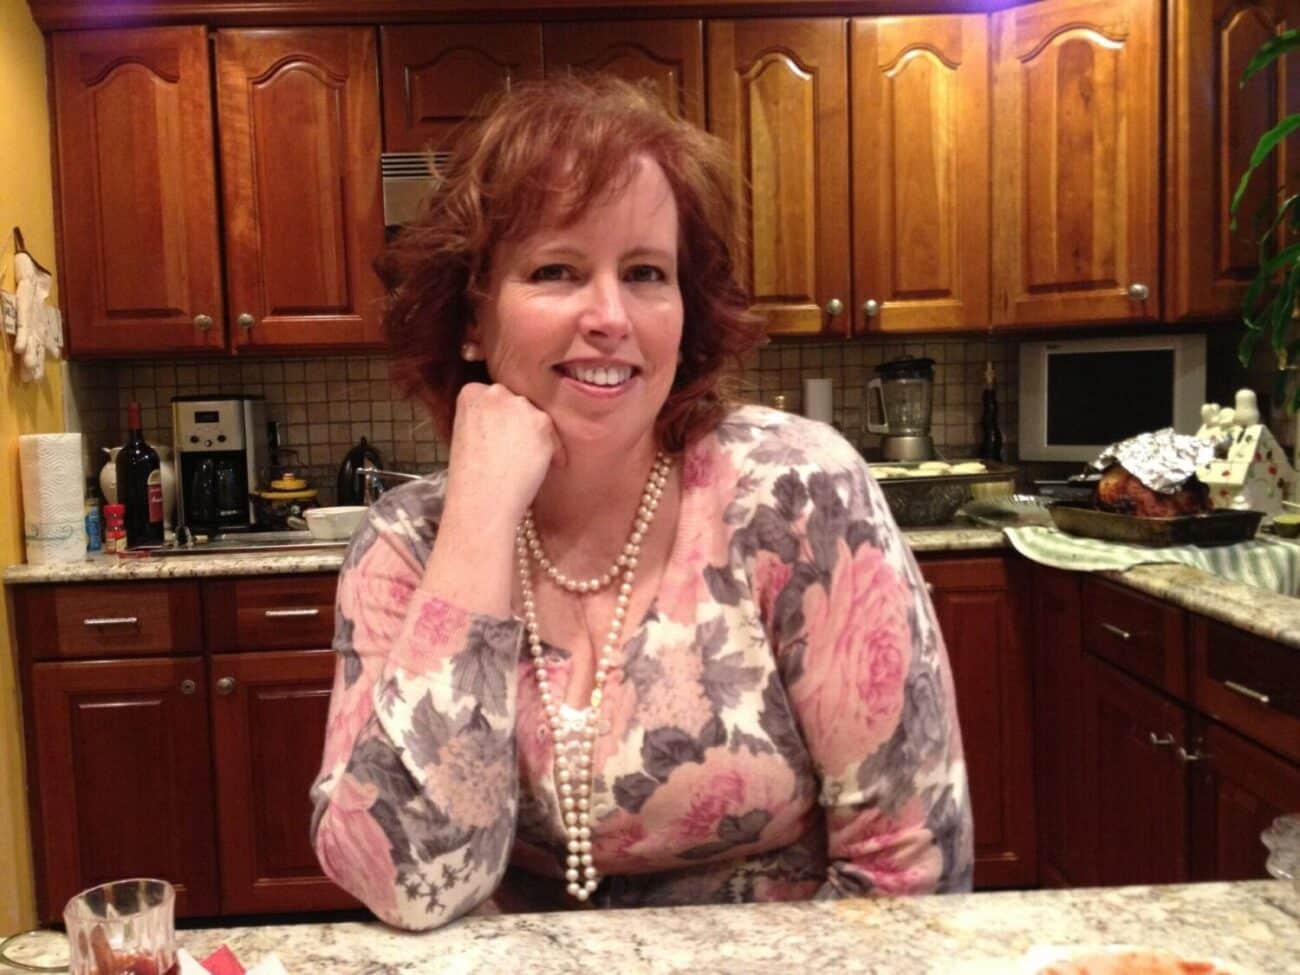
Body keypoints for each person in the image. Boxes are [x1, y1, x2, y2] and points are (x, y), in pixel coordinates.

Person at [310, 75, 972, 931]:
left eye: (646, 273)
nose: (611, 316)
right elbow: (403, 883)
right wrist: (478, 514)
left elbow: (910, 866)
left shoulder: (796, 495)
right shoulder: (407, 543)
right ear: (471, 318)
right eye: (557, 270)